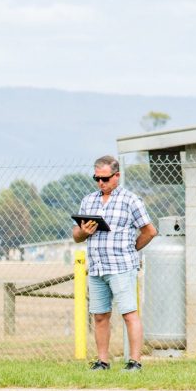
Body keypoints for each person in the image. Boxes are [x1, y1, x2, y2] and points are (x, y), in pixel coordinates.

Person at [72, 155, 157, 371]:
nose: (101, 183)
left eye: (105, 179)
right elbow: (76, 235)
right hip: (97, 266)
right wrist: (83, 231)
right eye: (97, 179)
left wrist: (131, 249)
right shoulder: (88, 200)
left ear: (117, 176)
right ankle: (103, 361)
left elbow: (150, 231)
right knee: (100, 316)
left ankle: (135, 362)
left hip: (121, 266)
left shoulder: (131, 200)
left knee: (129, 313)